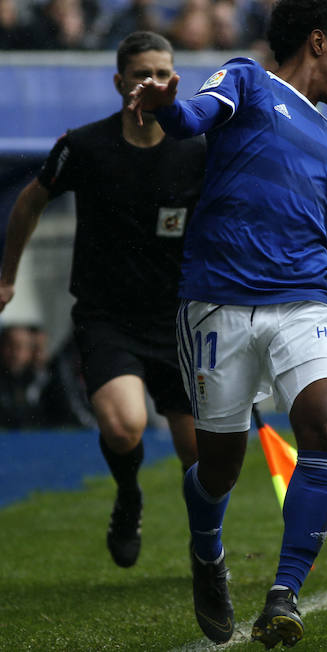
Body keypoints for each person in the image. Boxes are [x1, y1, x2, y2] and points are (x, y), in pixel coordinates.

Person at [128, 0, 327, 647]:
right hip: (218, 301)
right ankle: (207, 549)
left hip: (303, 301)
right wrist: (166, 105)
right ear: (318, 41)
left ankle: (284, 594)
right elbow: (193, 118)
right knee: (219, 468)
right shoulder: (249, 80)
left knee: (325, 424)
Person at [0, 31, 206, 567]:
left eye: (162, 74)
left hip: (181, 320)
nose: (152, 83)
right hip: (106, 318)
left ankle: (206, 545)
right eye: (141, 74)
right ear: (119, 83)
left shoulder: (197, 150)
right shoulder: (85, 146)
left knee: (202, 457)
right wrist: (7, 277)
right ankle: (129, 496)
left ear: (175, 80)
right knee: (124, 426)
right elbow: (29, 202)